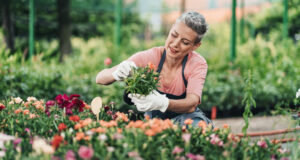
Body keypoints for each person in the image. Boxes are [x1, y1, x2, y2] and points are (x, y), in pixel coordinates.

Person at [96, 11, 213, 127]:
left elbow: (191, 104)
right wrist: (116, 73)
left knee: (197, 127)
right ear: (171, 29)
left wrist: (164, 103)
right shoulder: (151, 57)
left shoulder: (197, 63)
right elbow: (100, 78)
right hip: (154, 121)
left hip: (186, 121)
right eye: (174, 35)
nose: (175, 44)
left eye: (185, 42)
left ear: (195, 46)